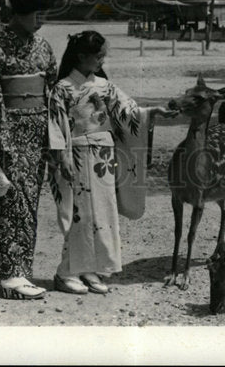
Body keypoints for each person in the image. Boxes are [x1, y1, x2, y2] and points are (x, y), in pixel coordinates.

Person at [47, 30, 177, 295]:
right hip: (78, 153)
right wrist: (63, 156)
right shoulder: (62, 89)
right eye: (98, 56)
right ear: (81, 56)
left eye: (102, 56)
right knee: (80, 214)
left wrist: (153, 112)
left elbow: (129, 111)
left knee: (103, 214)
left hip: (103, 155)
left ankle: (90, 268)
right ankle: (65, 271)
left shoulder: (105, 86)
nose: (101, 61)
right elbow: (55, 125)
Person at [0, 0, 71, 300]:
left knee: (31, 201)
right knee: (9, 199)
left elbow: (53, 92)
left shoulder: (43, 47)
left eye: (44, 14)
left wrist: (57, 137)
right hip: (7, 132)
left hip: (39, 131)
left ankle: (22, 270)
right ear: (18, 12)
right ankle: (10, 275)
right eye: (35, 14)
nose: (40, 21)